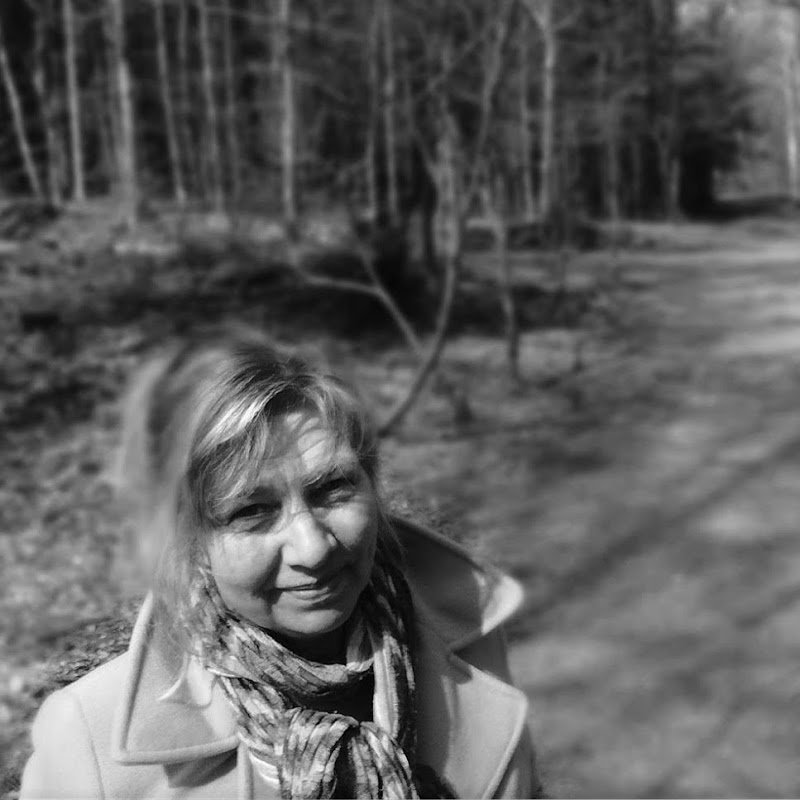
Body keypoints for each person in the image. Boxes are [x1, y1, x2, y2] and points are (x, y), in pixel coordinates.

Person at [20, 325, 543, 799]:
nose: (313, 549)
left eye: (332, 488)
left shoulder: (472, 633)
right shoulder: (88, 740)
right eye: (251, 512)